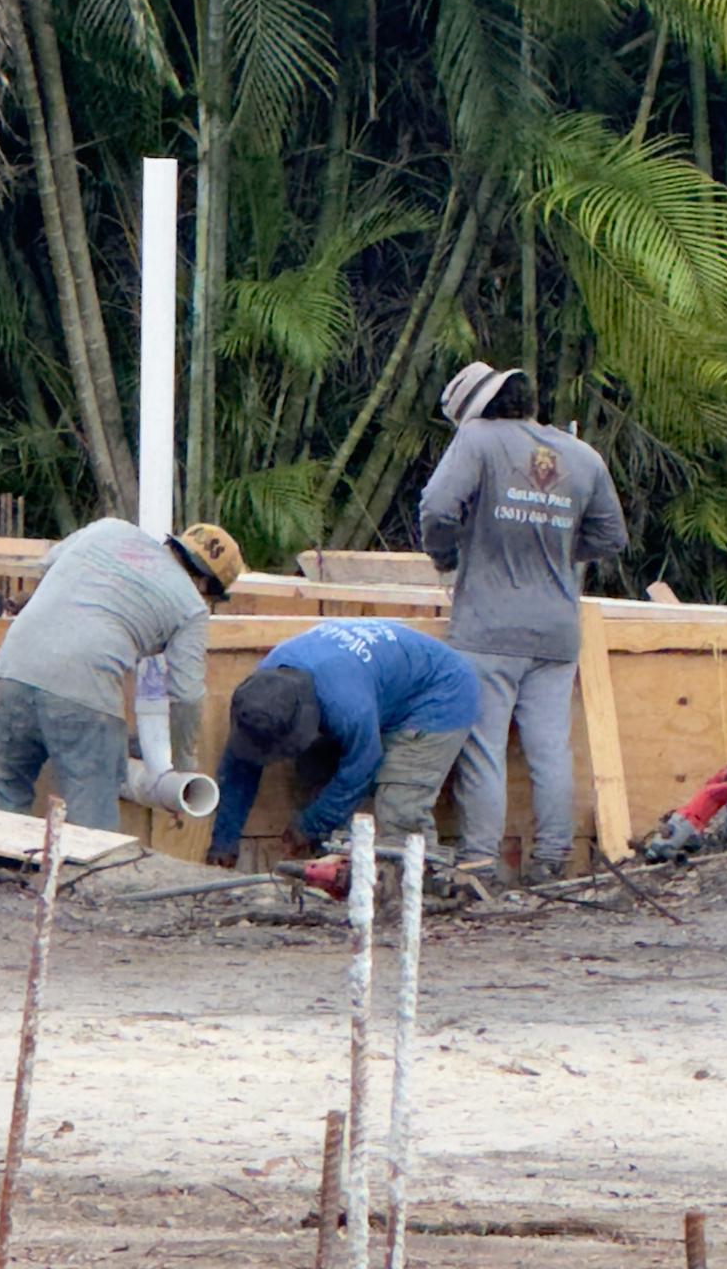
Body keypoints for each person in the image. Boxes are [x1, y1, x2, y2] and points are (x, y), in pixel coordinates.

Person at [419, 362, 627, 884]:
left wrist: (448, 554)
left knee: (483, 747)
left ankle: (479, 863)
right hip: (556, 631)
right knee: (549, 748)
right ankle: (554, 859)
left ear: (475, 412)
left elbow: (437, 506)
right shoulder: (581, 455)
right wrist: (558, 552)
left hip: (487, 626)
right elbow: (611, 538)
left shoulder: (477, 441)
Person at [0, 517, 244, 830]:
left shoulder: (109, 529)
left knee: (5, 796)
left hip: (14, 668)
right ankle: (87, 880)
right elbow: (185, 696)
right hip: (84, 691)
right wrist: (182, 767)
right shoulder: (191, 606)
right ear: (205, 586)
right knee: (92, 823)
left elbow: (48, 565)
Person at [206, 619, 480, 868]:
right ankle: (332, 872)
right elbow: (240, 767)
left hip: (439, 693)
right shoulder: (261, 693)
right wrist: (224, 842)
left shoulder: (348, 708)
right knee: (312, 775)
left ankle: (419, 889)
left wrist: (310, 825)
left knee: (401, 805)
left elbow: (361, 768)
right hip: (375, 682)